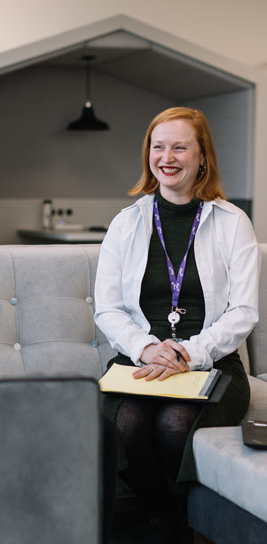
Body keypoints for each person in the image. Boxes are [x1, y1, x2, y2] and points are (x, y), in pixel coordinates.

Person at [94, 107, 259, 543]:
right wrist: (148, 348)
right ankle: (169, 513)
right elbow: (107, 308)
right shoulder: (126, 223)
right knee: (124, 424)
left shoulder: (232, 222)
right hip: (140, 361)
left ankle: (173, 519)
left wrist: (190, 353)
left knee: (174, 422)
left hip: (213, 363)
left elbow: (243, 311)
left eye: (180, 146)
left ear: (202, 156)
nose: (166, 156)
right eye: (158, 145)